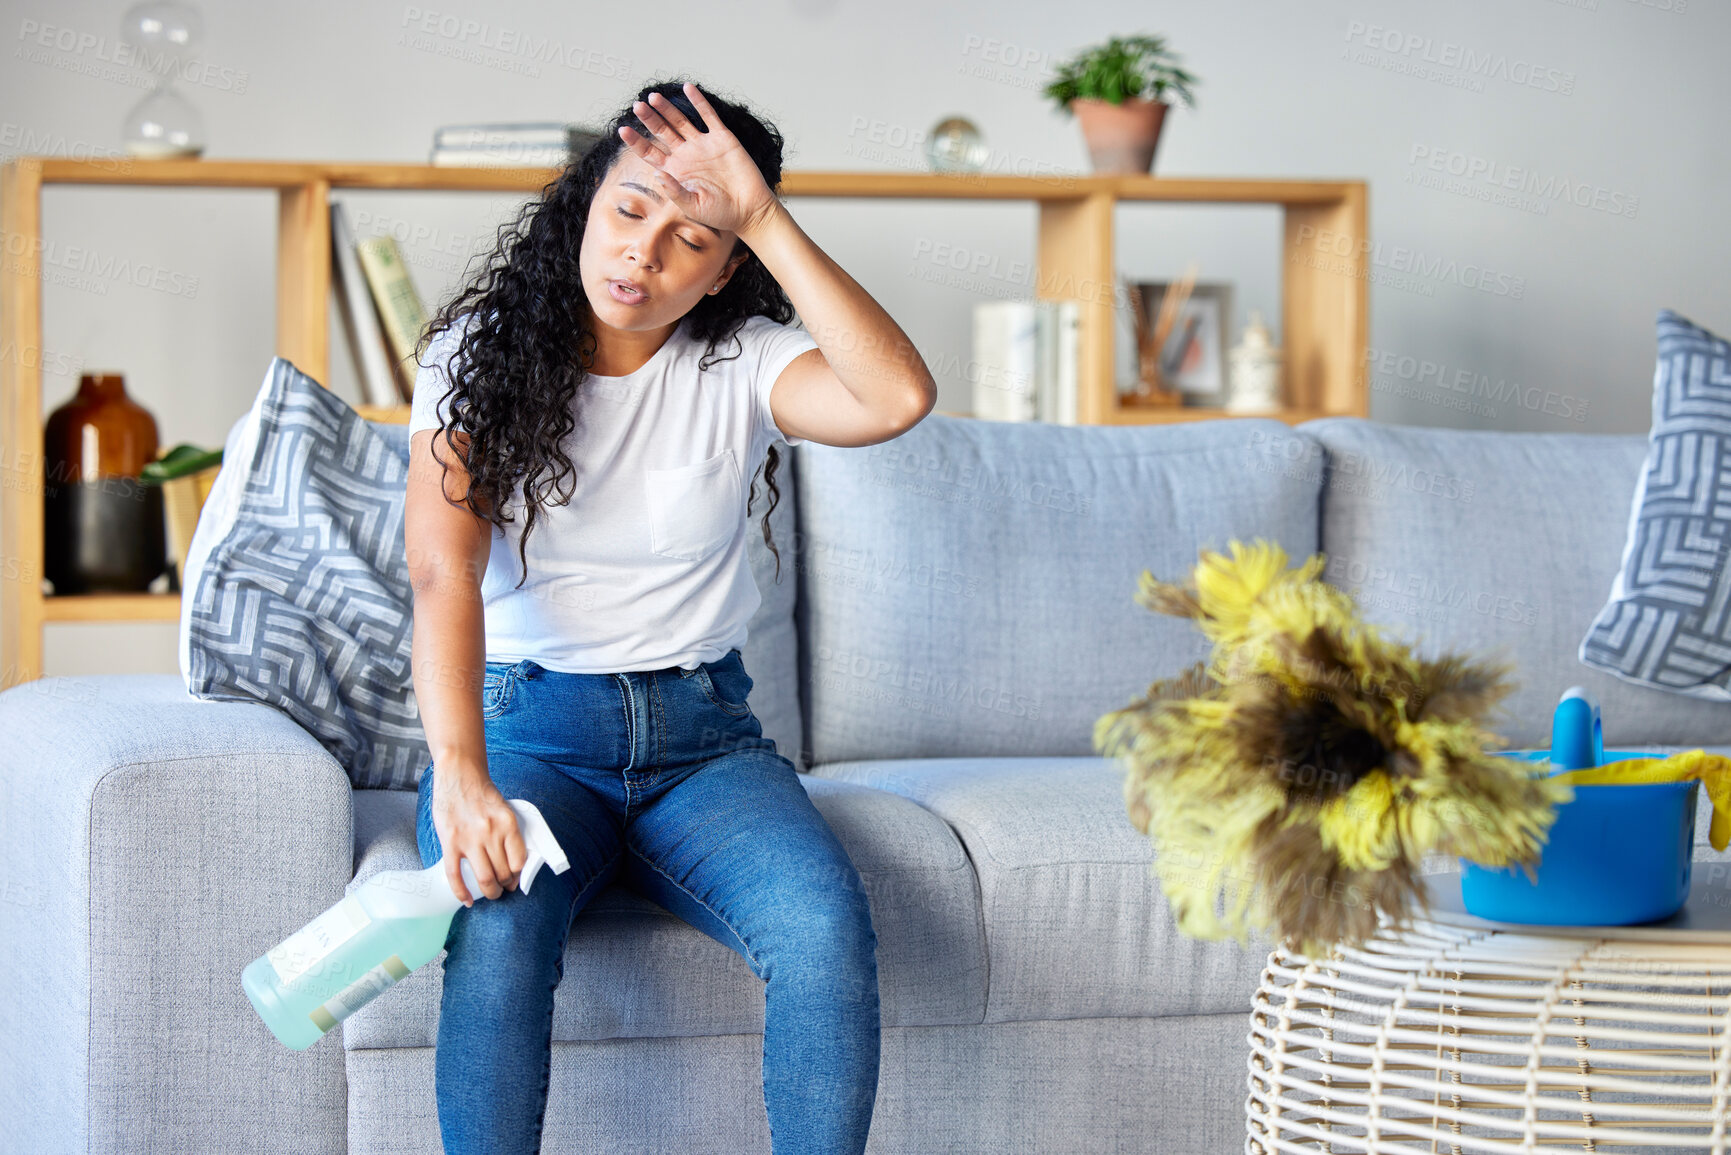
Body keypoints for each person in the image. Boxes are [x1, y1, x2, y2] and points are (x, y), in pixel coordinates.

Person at [404, 77, 934, 1155]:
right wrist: (463, 780)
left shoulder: (744, 362)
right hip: (528, 735)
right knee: (498, 935)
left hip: (703, 744)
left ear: (727, 264)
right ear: (585, 205)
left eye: (692, 237)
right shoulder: (475, 354)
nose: (641, 256)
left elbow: (894, 399)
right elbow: (442, 576)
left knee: (823, 929)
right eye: (629, 210)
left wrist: (767, 217)